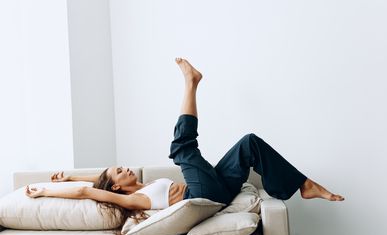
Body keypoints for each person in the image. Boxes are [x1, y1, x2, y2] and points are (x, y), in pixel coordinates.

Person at [25, 58, 344, 212]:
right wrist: (44, 190)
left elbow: (97, 179)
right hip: (203, 197)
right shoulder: (133, 199)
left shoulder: (144, 184)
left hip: (216, 190)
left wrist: (66, 177)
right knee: (181, 148)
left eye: (119, 165)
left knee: (249, 143)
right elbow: (89, 192)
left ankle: (302, 185)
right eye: (118, 171)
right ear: (117, 186)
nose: (124, 168)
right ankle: (191, 83)